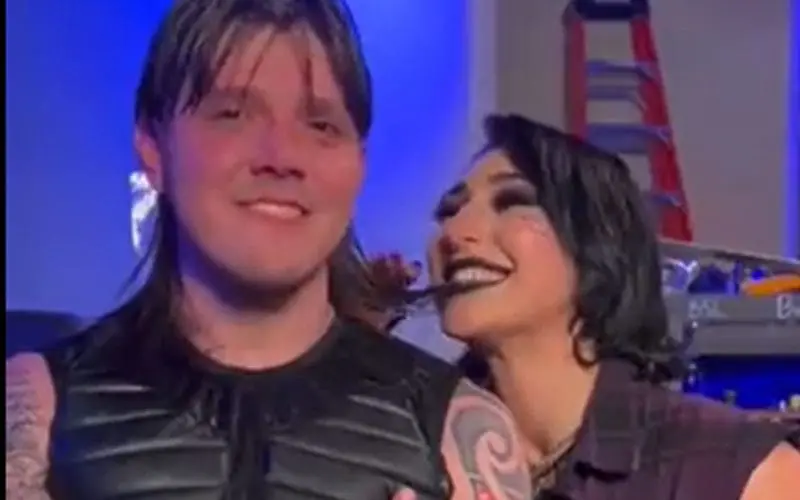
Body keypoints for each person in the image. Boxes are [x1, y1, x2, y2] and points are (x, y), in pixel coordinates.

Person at [4, 2, 533, 498]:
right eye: (233, 114)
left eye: (321, 125)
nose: (281, 157)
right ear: (153, 148)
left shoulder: (457, 431)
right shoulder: (38, 409)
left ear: (359, 165)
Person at [417, 114, 800, 499]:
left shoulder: (731, 471)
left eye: (513, 202)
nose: (455, 233)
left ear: (598, 245)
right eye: (449, 211)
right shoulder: (415, 448)